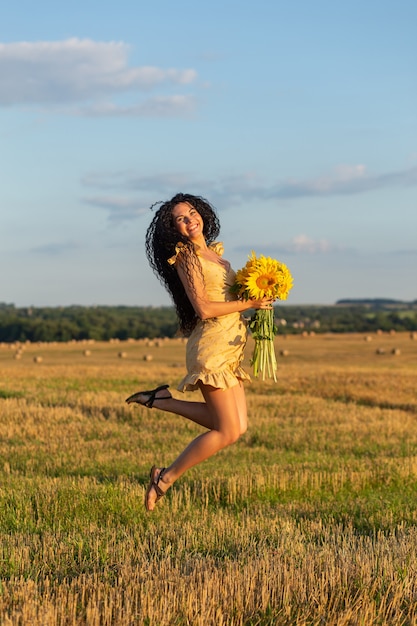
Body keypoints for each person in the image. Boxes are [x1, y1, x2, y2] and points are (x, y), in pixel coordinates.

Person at [126, 193, 274, 511]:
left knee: (236, 428)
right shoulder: (187, 259)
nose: (189, 219)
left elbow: (226, 301)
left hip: (229, 346)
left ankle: (163, 401)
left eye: (192, 212)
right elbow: (205, 309)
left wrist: (259, 296)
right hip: (210, 349)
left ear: (203, 214)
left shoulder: (218, 257)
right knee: (226, 431)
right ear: (174, 229)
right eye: (180, 218)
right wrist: (250, 303)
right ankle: (164, 479)